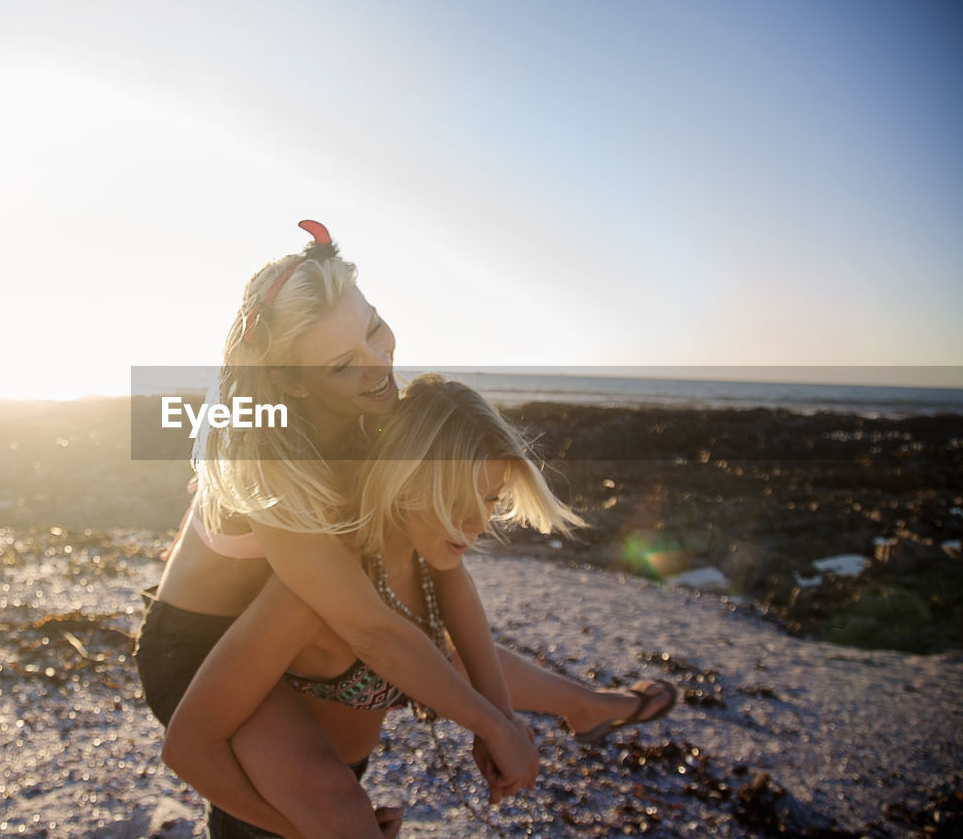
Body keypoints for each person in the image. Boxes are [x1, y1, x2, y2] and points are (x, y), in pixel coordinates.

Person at [134, 222, 677, 833]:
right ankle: (586, 704)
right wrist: (493, 725)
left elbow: (446, 578)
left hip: (272, 622)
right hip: (197, 640)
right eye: (344, 362)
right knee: (332, 781)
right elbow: (371, 630)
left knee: (411, 637)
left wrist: (497, 716)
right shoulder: (270, 461)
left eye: (372, 330)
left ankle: (585, 704)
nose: (379, 363)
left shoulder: (369, 413)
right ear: (288, 380)